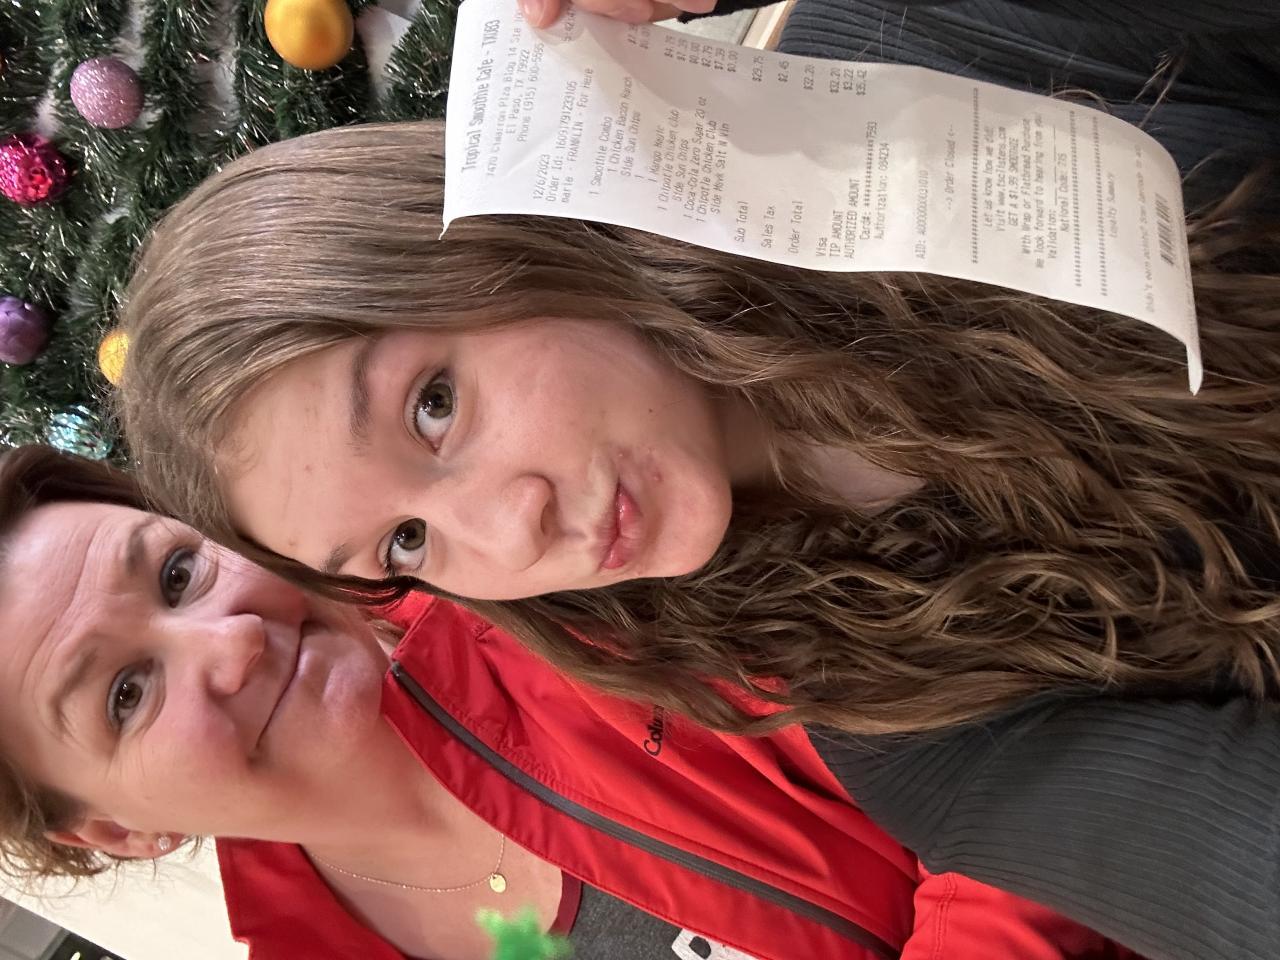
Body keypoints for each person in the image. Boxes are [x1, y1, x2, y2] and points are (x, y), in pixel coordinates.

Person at [0, 444, 1129, 960]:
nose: (233, 641)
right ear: (115, 830)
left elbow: (1003, 747)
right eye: (126, 693)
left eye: (178, 573)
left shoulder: (566, 593)